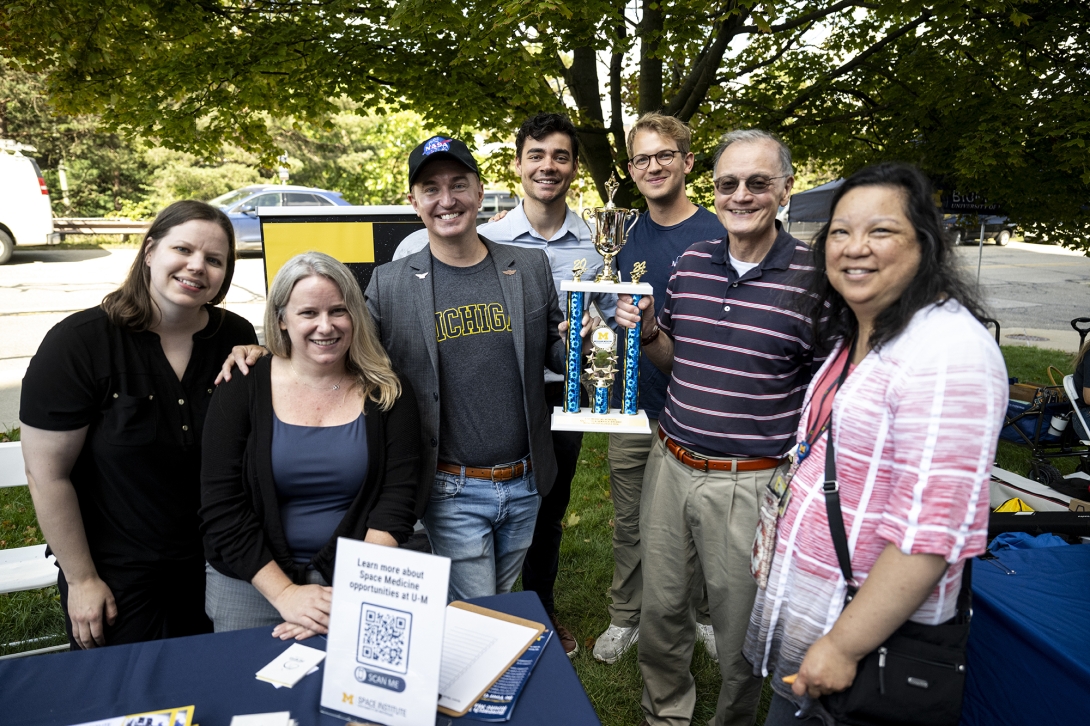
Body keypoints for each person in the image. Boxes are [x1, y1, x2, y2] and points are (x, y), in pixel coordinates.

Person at [744, 163, 1007, 725]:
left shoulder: (947, 353)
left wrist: (842, 647)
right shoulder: (864, 331)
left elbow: (930, 535)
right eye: (839, 231)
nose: (854, 248)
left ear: (927, 243)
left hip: (867, 652)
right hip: (822, 633)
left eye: (881, 231)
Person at [615, 129, 817, 726]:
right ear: (715, 188)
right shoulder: (691, 263)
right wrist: (650, 331)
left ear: (785, 189)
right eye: (728, 184)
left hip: (749, 480)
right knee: (662, 612)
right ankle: (666, 714)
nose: (741, 196)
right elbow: (678, 358)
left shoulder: (815, 279)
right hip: (671, 461)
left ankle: (731, 720)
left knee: (737, 631)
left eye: (758, 183)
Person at [392, 114, 611, 656]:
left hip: (524, 470)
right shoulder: (397, 273)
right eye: (431, 188)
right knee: (480, 611)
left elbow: (552, 349)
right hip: (452, 477)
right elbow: (360, 353)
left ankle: (492, 655)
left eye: (458, 184)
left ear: (479, 189)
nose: (446, 199)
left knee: (504, 586)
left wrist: (580, 339)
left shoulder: (527, 266)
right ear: (414, 200)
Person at [20, 200, 257, 650]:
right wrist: (83, 579)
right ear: (150, 252)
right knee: (130, 707)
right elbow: (46, 474)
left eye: (214, 259)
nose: (196, 267)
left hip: (218, 565)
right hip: (118, 574)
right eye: (183, 249)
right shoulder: (80, 343)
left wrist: (267, 362)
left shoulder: (234, 336)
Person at [199, 252, 420, 638]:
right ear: (281, 318)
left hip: (358, 578)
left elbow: (398, 498)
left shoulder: (387, 389)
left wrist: (350, 592)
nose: (326, 326)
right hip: (251, 582)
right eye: (308, 313)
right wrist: (287, 594)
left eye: (338, 310)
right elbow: (221, 506)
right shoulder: (242, 386)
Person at [594, 112, 726, 665]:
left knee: (697, 520)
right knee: (631, 518)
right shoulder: (621, 235)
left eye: (664, 155)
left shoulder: (721, 231)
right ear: (630, 168)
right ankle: (625, 614)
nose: (653, 166)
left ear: (688, 162)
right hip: (633, 402)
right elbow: (606, 305)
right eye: (642, 158)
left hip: (697, 407)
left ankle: (701, 613)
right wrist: (592, 324)